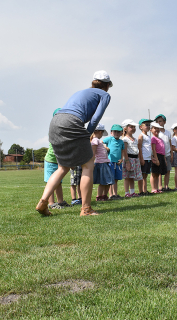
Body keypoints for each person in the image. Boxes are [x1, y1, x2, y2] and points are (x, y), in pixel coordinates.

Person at [35, 70, 113, 217]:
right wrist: (88, 133)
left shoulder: (81, 92)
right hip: (72, 122)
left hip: (55, 122)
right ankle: (86, 209)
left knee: (62, 167)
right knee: (88, 165)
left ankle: (43, 201)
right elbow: (96, 118)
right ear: (107, 85)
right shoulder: (105, 94)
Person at [43, 108, 71, 209]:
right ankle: (51, 203)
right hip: (51, 160)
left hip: (59, 160)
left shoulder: (64, 130)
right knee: (51, 182)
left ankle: (60, 202)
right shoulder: (54, 130)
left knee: (59, 182)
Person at [91, 124, 114, 201]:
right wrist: (92, 162)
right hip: (101, 163)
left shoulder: (98, 140)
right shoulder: (95, 140)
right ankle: (99, 196)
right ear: (100, 132)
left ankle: (105, 195)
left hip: (105, 163)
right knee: (102, 182)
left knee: (108, 181)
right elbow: (93, 152)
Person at [122, 119, 143, 198]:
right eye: (131, 127)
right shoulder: (125, 139)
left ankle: (132, 192)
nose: (133, 128)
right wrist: (127, 162)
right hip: (129, 158)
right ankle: (127, 192)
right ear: (125, 128)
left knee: (132, 176)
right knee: (127, 176)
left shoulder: (135, 139)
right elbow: (125, 151)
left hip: (135, 159)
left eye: (134, 127)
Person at [103, 124, 125, 200]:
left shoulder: (121, 142)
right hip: (110, 162)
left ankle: (115, 194)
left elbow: (122, 151)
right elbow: (101, 142)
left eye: (118, 132)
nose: (116, 133)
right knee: (110, 179)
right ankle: (111, 194)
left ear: (121, 133)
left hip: (118, 163)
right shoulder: (109, 139)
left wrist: (122, 159)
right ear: (111, 132)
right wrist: (105, 147)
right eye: (115, 131)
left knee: (116, 179)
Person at [154, 114, 173, 191]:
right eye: (157, 121)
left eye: (160, 121)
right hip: (160, 154)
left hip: (167, 154)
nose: (159, 123)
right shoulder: (156, 133)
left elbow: (170, 143)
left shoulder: (168, 133)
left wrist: (171, 154)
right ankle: (160, 186)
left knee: (167, 170)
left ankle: (166, 186)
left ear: (164, 122)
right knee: (159, 172)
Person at [150, 122, 167, 193]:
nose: (156, 130)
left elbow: (163, 150)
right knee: (154, 173)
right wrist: (156, 159)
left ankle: (156, 188)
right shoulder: (153, 138)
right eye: (154, 128)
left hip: (161, 156)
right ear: (151, 130)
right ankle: (153, 188)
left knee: (157, 173)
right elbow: (153, 149)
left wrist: (164, 159)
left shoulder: (160, 139)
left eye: (157, 128)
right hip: (156, 155)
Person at [137, 119, 153, 195]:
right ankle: (141, 191)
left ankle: (145, 190)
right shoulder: (141, 136)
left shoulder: (149, 136)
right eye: (146, 125)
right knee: (142, 176)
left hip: (148, 158)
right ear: (141, 127)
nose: (148, 126)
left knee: (145, 175)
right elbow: (139, 147)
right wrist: (141, 158)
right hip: (144, 158)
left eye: (149, 125)